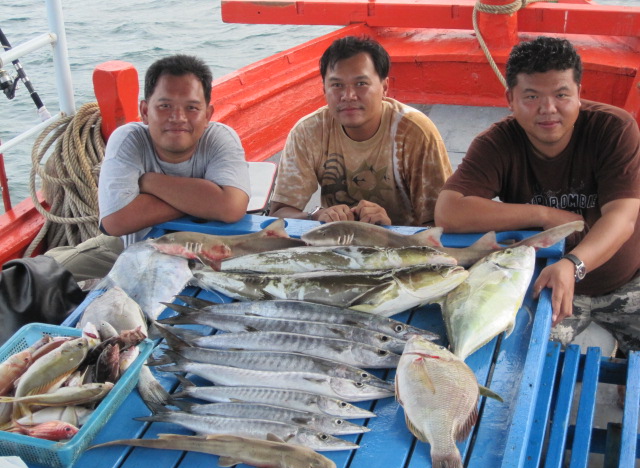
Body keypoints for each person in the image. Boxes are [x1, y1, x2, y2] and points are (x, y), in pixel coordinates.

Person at [434, 36, 640, 353]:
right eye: (531, 96)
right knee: (512, 359)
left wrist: (573, 264)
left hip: (626, 278)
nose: (548, 109)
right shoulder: (497, 143)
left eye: (561, 95)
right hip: (542, 282)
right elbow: (449, 212)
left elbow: (622, 218)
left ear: (579, 94)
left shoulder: (613, 129)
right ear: (510, 99)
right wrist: (541, 214)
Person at [45, 54, 250, 281]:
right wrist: (207, 201)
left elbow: (231, 207)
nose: (178, 117)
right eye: (165, 106)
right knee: (42, 275)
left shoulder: (219, 139)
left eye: (192, 107)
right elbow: (115, 222)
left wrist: (148, 182)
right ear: (144, 111)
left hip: (200, 256)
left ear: (207, 115)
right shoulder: (128, 139)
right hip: (129, 247)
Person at [269, 35, 452, 226]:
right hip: (338, 241)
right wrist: (315, 216)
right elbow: (279, 212)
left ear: (385, 87)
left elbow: (441, 221)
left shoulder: (415, 132)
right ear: (324, 89)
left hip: (403, 245)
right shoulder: (307, 132)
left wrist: (389, 230)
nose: (348, 96)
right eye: (337, 85)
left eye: (361, 84)